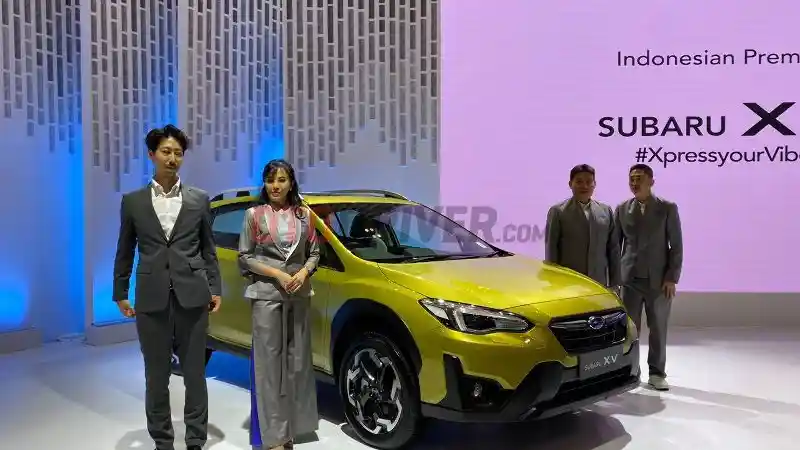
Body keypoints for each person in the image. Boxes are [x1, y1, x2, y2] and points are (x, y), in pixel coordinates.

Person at [112, 124, 222, 450]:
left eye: (178, 153)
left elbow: (208, 249)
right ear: (152, 154)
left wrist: (215, 286)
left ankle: (195, 440)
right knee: (156, 376)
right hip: (151, 297)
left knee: (195, 375)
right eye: (166, 151)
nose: (172, 158)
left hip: (193, 294)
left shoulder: (199, 199)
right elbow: (125, 249)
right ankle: (162, 441)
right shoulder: (133, 201)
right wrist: (120, 291)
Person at [239, 159, 320, 450]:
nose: (275, 186)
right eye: (271, 180)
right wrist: (277, 274)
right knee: (270, 368)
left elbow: (314, 253)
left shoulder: (304, 215)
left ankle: (291, 431)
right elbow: (245, 257)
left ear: (291, 183)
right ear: (264, 183)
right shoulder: (254, 215)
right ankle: (273, 437)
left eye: (282, 180)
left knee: (296, 364)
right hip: (266, 297)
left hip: (298, 296)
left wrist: (303, 273)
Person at [615, 163, 683, 391]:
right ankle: (630, 371)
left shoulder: (667, 208)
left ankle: (657, 373)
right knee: (629, 330)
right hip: (630, 280)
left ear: (651, 181)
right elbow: (615, 246)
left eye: (640, 178)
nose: (635, 183)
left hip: (659, 281)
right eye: (632, 179)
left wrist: (672, 277)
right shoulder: (622, 209)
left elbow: (676, 246)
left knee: (658, 328)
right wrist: (615, 279)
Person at [545, 164, 621, 290]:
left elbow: (613, 249)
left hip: (599, 282)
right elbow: (551, 249)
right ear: (570, 184)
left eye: (588, 182)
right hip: (569, 282)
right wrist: (553, 282)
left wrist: (615, 282)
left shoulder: (605, 210)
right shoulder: (558, 211)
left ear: (594, 184)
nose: (584, 186)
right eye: (579, 182)